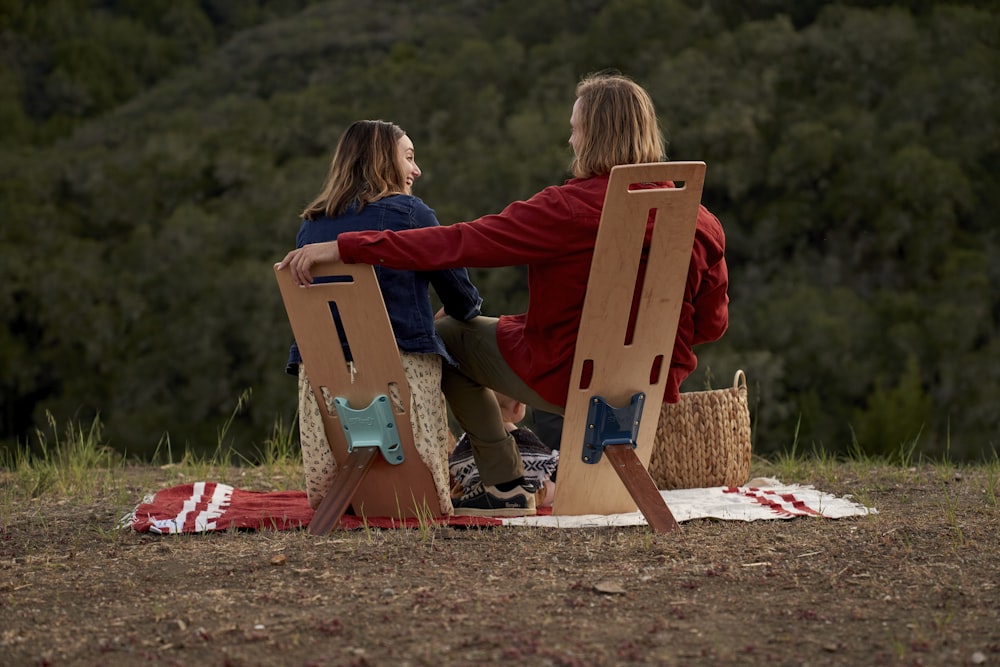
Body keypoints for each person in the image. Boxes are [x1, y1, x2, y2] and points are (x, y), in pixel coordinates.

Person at [278, 72, 729, 518]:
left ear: (593, 135)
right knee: (503, 328)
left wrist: (348, 246)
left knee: (450, 333)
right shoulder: (701, 221)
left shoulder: (564, 209)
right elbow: (711, 326)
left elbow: (453, 242)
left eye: (575, 130)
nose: (572, 142)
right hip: (647, 382)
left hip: (563, 374)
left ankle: (504, 482)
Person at [283, 119, 482, 515]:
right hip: (400, 375)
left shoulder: (310, 228)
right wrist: (450, 315)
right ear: (382, 162)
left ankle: (353, 492)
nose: (417, 169)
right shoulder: (412, 214)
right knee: (461, 334)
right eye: (409, 157)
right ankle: (495, 466)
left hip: (326, 382)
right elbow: (463, 299)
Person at [449, 392, 558, 509]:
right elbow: (543, 468)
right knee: (552, 487)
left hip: (475, 493)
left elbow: (457, 469)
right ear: (518, 407)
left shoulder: (469, 438)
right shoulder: (524, 438)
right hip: (522, 495)